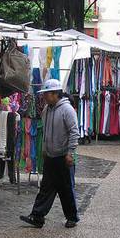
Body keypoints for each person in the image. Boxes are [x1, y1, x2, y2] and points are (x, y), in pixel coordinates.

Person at [20, 78, 80, 229]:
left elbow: (74, 132)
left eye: (47, 94)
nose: (44, 97)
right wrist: (45, 150)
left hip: (63, 156)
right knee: (46, 188)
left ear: (55, 94)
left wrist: (70, 153)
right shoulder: (47, 109)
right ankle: (37, 216)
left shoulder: (67, 110)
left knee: (66, 188)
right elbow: (46, 131)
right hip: (51, 156)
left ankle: (72, 217)